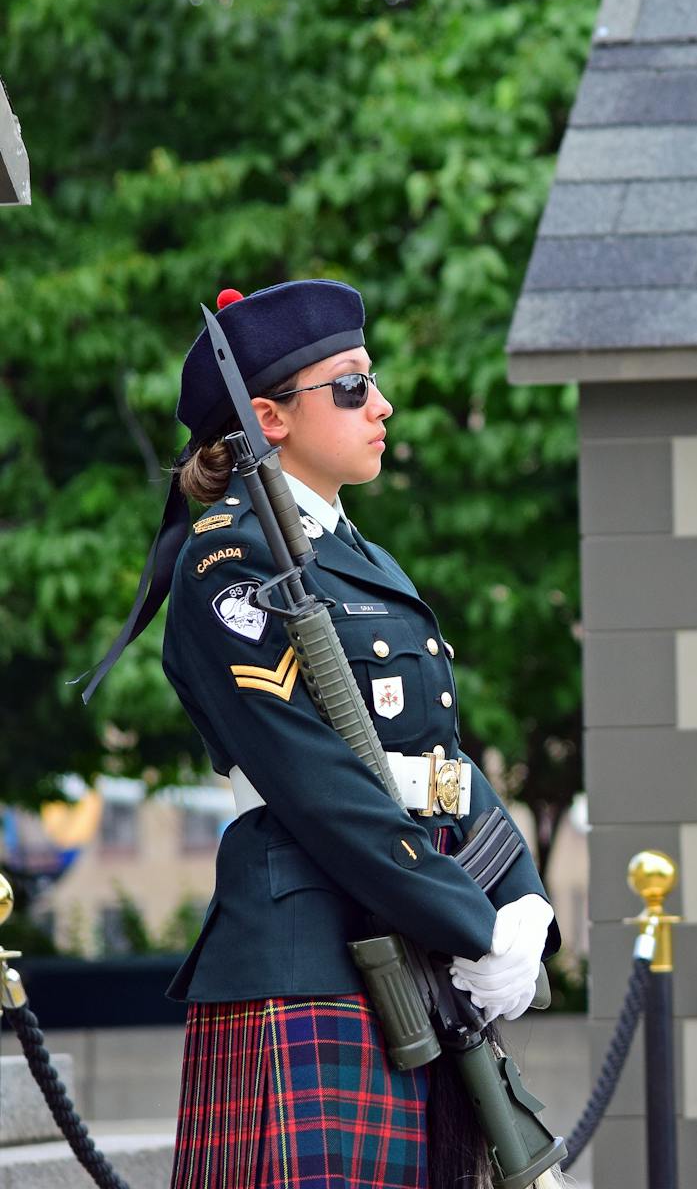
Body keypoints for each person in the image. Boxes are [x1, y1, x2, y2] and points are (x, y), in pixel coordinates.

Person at [84, 280, 557, 1189]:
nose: (379, 405)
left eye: (371, 383)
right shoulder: (226, 560)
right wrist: (468, 921)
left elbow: (438, 759)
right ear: (270, 416)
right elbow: (316, 779)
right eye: (349, 387)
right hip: (311, 958)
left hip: (415, 950)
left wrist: (520, 899)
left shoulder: (363, 560)